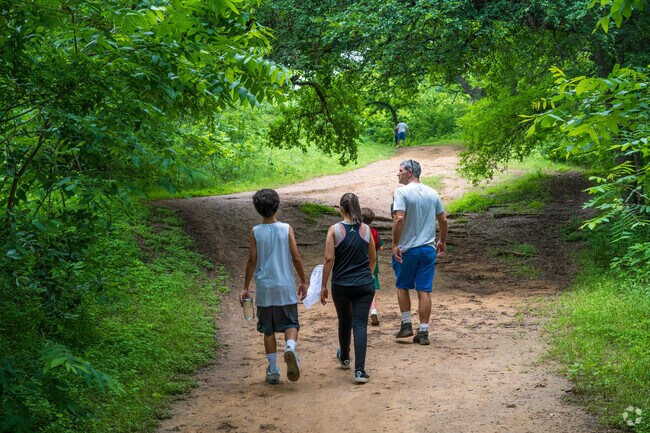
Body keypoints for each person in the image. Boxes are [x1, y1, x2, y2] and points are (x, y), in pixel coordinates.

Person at [242, 189, 308, 384]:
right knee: (291, 323)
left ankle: (273, 370)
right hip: (285, 285)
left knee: (268, 330)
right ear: (277, 205)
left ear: (257, 209)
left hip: (264, 288)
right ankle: (289, 347)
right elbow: (296, 256)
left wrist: (246, 287)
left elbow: (252, 261)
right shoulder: (286, 228)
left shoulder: (255, 231)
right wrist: (303, 281)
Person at [320, 193, 376, 384]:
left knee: (344, 321)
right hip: (364, 285)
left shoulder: (335, 230)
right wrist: (367, 276)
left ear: (340, 209)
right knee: (360, 324)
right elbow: (373, 258)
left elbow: (328, 259)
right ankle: (360, 371)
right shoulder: (366, 230)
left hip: (341, 285)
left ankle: (344, 357)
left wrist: (323, 286)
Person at [391, 160, 447, 345]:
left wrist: (395, 244)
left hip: (408, 249)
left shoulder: (401, 192)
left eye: (400, 171)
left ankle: (406, 324)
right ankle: (423, 331)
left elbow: (399, 219)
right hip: (428, 249)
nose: (397, 174)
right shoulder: (432, 192)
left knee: (403, 286)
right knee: (424, 289)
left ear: (410, 172)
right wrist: (442, 241)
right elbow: (443, 219)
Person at [361, 207, 383, 326]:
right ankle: (373, 309)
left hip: (359, 263)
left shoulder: (357, 230)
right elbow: (380, 247)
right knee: (372, 288)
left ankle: (360, 312)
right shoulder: (373, 232)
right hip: (372, 264)